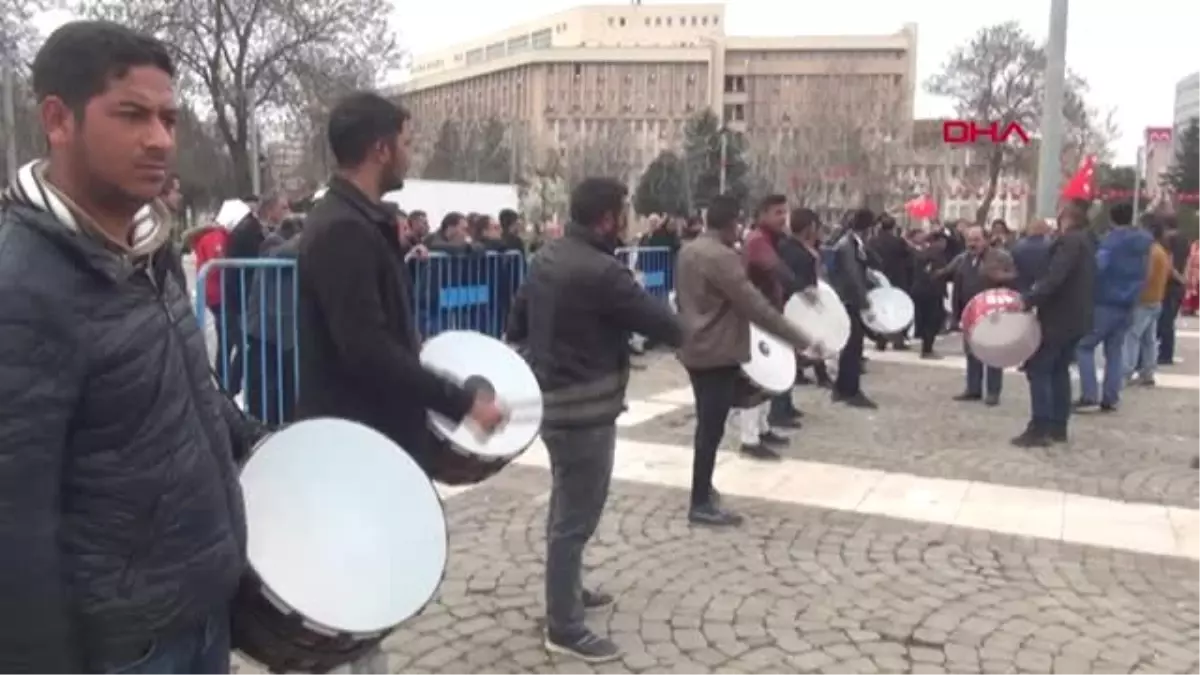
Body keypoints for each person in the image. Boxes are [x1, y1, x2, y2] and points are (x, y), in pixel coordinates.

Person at [0, 21, 262, 674]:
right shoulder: (22, 286)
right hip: (127, 648)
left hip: (201, 610)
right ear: (58, 120)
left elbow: (186, 384)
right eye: (132, 115)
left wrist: (261, 437)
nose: (160, 140)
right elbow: (14, 518)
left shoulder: (150, 247)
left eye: (169, 119)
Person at [295, 92, 505, 674]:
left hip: (370, 435)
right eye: (407, 142)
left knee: (365, 595)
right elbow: (366, 351)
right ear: (380, 148)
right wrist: (462, 400)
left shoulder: (360, 221)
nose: (411, 154)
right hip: (352, 440)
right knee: (347, 597)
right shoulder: (342, 228)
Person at [506, 178, 683, 663]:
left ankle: (569, 593)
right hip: (585, 410)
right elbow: (665, 326)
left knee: (567, 505)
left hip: (551, 403)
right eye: (623, 212)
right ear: (607, 218)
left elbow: (516, 322)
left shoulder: (546, 257)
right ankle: (564, 626)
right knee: (575, 518)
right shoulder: (605, 272)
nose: (627, 220)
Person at [676, 195, 819, 528]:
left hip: (694, 347)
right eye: (737, 223)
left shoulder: (688, 251)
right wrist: (801, 339)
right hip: (718, 350)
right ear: (730, 224)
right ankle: (699, 501)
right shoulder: (722, 257)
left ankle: (704, 488)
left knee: (709, 422)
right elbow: (755, 306)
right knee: (710, 429)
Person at [1013, 204, 1095, 446]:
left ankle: (1040, 427)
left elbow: (1055, 278)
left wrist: (1028, 299)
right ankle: (1059, 426)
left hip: (1059, 317)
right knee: (1059, 371)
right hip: (1078, 317)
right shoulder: (1089, 243)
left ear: (1066, 220)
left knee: (1038, 369)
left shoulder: (1068, 243)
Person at [1074, 203, 1152, 413]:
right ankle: (1111, 396)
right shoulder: (1143, 243)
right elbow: (1147, 272)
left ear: (1111, 219)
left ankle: (1089, 394)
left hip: (1105, 300)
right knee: (1115, 351)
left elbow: (1098, 267)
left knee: (1084, 346)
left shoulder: (1111, 242)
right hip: (1129, 303)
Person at [743, 194, 803, 431]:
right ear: (762, 215)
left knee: (768, 374)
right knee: (757, 377)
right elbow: (777, 269)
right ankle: (750, 436)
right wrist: (801, 289)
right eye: (777, 212)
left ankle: (763, 428)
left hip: (767, 315)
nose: (783, 218)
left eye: (785, 212)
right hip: (757, 317)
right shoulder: (757, 240)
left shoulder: (772, 239)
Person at [220, 192, 288, 394]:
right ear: (271, 209)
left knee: (247, 354)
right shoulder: (249, 232)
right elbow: (237, 273)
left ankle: (231, 393)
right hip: (245, 304)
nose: (287, 212)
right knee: (247, 353)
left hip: (253, 305)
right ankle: (231, 395)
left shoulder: (258, 230)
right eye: (283, 208)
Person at [943, 225, 1016, 405]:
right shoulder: (963, 259)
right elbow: (952, 279)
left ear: (986, 240)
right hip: (970, 310)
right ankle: (973, 388)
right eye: (969, 240)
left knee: (992, 352)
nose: (972, 244)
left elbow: (1014, 277)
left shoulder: (1001, 257)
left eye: (976, 240)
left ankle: (993, 391)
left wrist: (1000, 277)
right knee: (972, 351)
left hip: (992, 311)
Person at [827, 208, 879, 408]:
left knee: (851, 346)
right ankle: (850, 389)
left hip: (849, 299)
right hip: (849, 301)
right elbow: (853, 274)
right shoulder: (847, 245)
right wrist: (864, 300)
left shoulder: (854, 243)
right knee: (853, 346)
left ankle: (842, 388)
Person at [778, 207, 833, 386]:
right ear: (809, 227)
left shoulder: (790, 246)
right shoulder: (798, 252)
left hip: (798, 300)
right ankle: (818, 375)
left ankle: (804, 372)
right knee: (812, 336)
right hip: (800, 300)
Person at [1122, 219, 1171, 387]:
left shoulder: (1150, 252)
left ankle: (1127, 371)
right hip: (1157, 299)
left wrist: (1132, 292)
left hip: (1143, 300)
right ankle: (1148, 372)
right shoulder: (1162, 251)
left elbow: (1146, 276)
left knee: (1132, 336)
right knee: (1149, 339)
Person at [867, 214, 913, 350]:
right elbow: (909, 257)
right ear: (893, 227)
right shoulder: (898, 242)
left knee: (880, 309)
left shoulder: (872, 241)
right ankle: (898, 340)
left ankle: (880, 339)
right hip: (896, 279)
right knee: (897, 309)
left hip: (878, 279)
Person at [910, 229, 950, 358]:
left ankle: (926, 347)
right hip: (931, 291)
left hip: (920, 290)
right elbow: (936, 273)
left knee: (926, 320)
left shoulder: (923, 252)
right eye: (943, 241)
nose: (944, 244)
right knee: (932, 321)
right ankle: (927, 349)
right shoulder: (936, 254)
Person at [1158, 216, 1191, 363]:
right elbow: (1188, 260)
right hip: (1179, 284)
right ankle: (1166, 352)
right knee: (1169, 320)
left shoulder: (1168, 241)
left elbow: (1168, 263)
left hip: (1169, 282)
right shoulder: (1185, 240)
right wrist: (1185, 278)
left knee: (1164, 320)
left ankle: (1163, 354)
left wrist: (1178, 277)